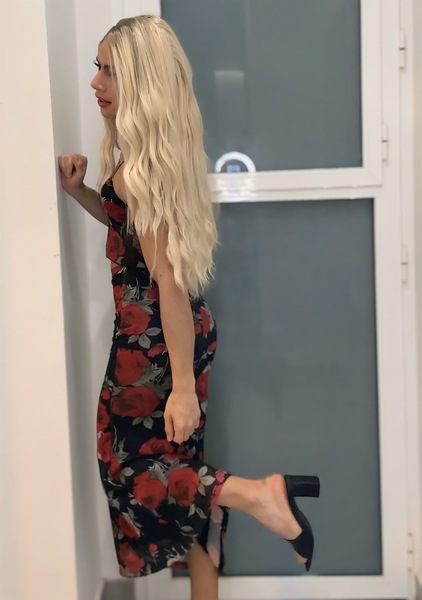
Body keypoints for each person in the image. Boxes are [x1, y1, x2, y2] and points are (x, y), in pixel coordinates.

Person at [58, 15, 320, 599]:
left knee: (131, 469)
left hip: (152, 344)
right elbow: (133, 238)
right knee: (188, 477)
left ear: (141, 81)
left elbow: (168, 282)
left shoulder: (138, 172)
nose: (96, 82)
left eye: (110, 71)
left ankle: (260, 495)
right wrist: (81, 193)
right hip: (176, 335)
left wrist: (179, 387)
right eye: (97, 67)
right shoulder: (152, 160)